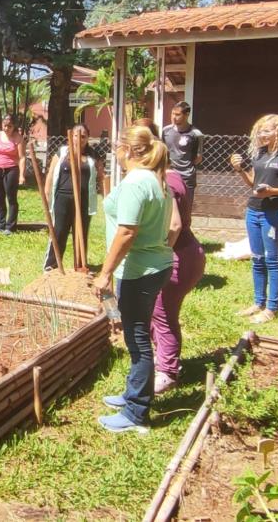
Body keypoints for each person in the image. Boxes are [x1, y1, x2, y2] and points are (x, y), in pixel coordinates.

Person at [94, 125, 173, 433]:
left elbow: (127, 232)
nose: (116, 153)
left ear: (129, 149)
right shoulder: (155, 179)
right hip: (156, 264)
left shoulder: (136, 182)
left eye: (118, 147)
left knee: (138, 340)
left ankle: (136, 413)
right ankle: (132, 394)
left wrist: (104, 273)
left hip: (140, 270)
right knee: (137, 335)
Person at [136, 120, 206, 394]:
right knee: (160, 312)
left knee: (161, 313)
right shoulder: (174, 174)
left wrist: (160, 252)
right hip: (189, 253)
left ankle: (167, 372)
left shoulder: (162, 181)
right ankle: (165, 359)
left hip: (179, 255)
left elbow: (174, 225)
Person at [230, 114, 278, 323]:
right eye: (260, 131)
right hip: (253, 210)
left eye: (266, 131)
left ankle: (272, 308)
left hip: (275, 213)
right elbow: (254, 184)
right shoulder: (261, 154)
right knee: (257, 259)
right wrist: (240, 170)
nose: (262, 135)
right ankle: (258, 302)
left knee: (273, 260)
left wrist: (274, 190)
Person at [42, 124, 101, 263]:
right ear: (71, 136)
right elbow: (50, 174)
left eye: (83, 137)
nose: (79, 139)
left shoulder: (93, 155)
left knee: (81, 232)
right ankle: (52, 264)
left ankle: (80, 265)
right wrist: (46, 192)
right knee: (59, 231)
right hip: (62, 197)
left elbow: (102, 176)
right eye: (76, 136)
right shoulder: (62, 152)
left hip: (83, 199)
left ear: (87, 138)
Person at [162, 101, 204, 205]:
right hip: (169, 175)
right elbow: (162, 151)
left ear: (187, 115)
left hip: (186, 177)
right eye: (172, 114)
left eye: (177, 114)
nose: (174, 117)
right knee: (169, 209)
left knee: (186, 210)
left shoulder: (196, 134)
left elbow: (198, 157)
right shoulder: (165, 131)